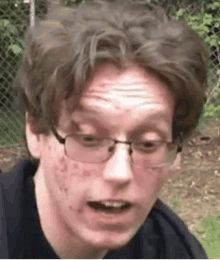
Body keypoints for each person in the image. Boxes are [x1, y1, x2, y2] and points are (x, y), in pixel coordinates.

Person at [0, 0, 208, 258]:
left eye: (148, 144)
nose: (120, 173)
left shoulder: (174, 250)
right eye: (88, 138)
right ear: (35, 130)